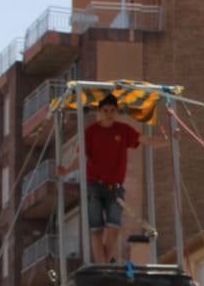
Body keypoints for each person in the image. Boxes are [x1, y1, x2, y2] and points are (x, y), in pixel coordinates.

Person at [56, 93, 170, 264]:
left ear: (116, 111)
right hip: (94, 185)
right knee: (96, 229)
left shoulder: (123, 130)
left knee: (114, 228)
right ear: (100, 112)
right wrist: (66, 171)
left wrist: (167, 141)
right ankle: (103, 266)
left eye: (112, 110)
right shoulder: (90, 132)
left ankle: (102, 265)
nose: (108, 113)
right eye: (105, 110)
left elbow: (145, 140)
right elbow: (80, 158)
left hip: (115, 188)